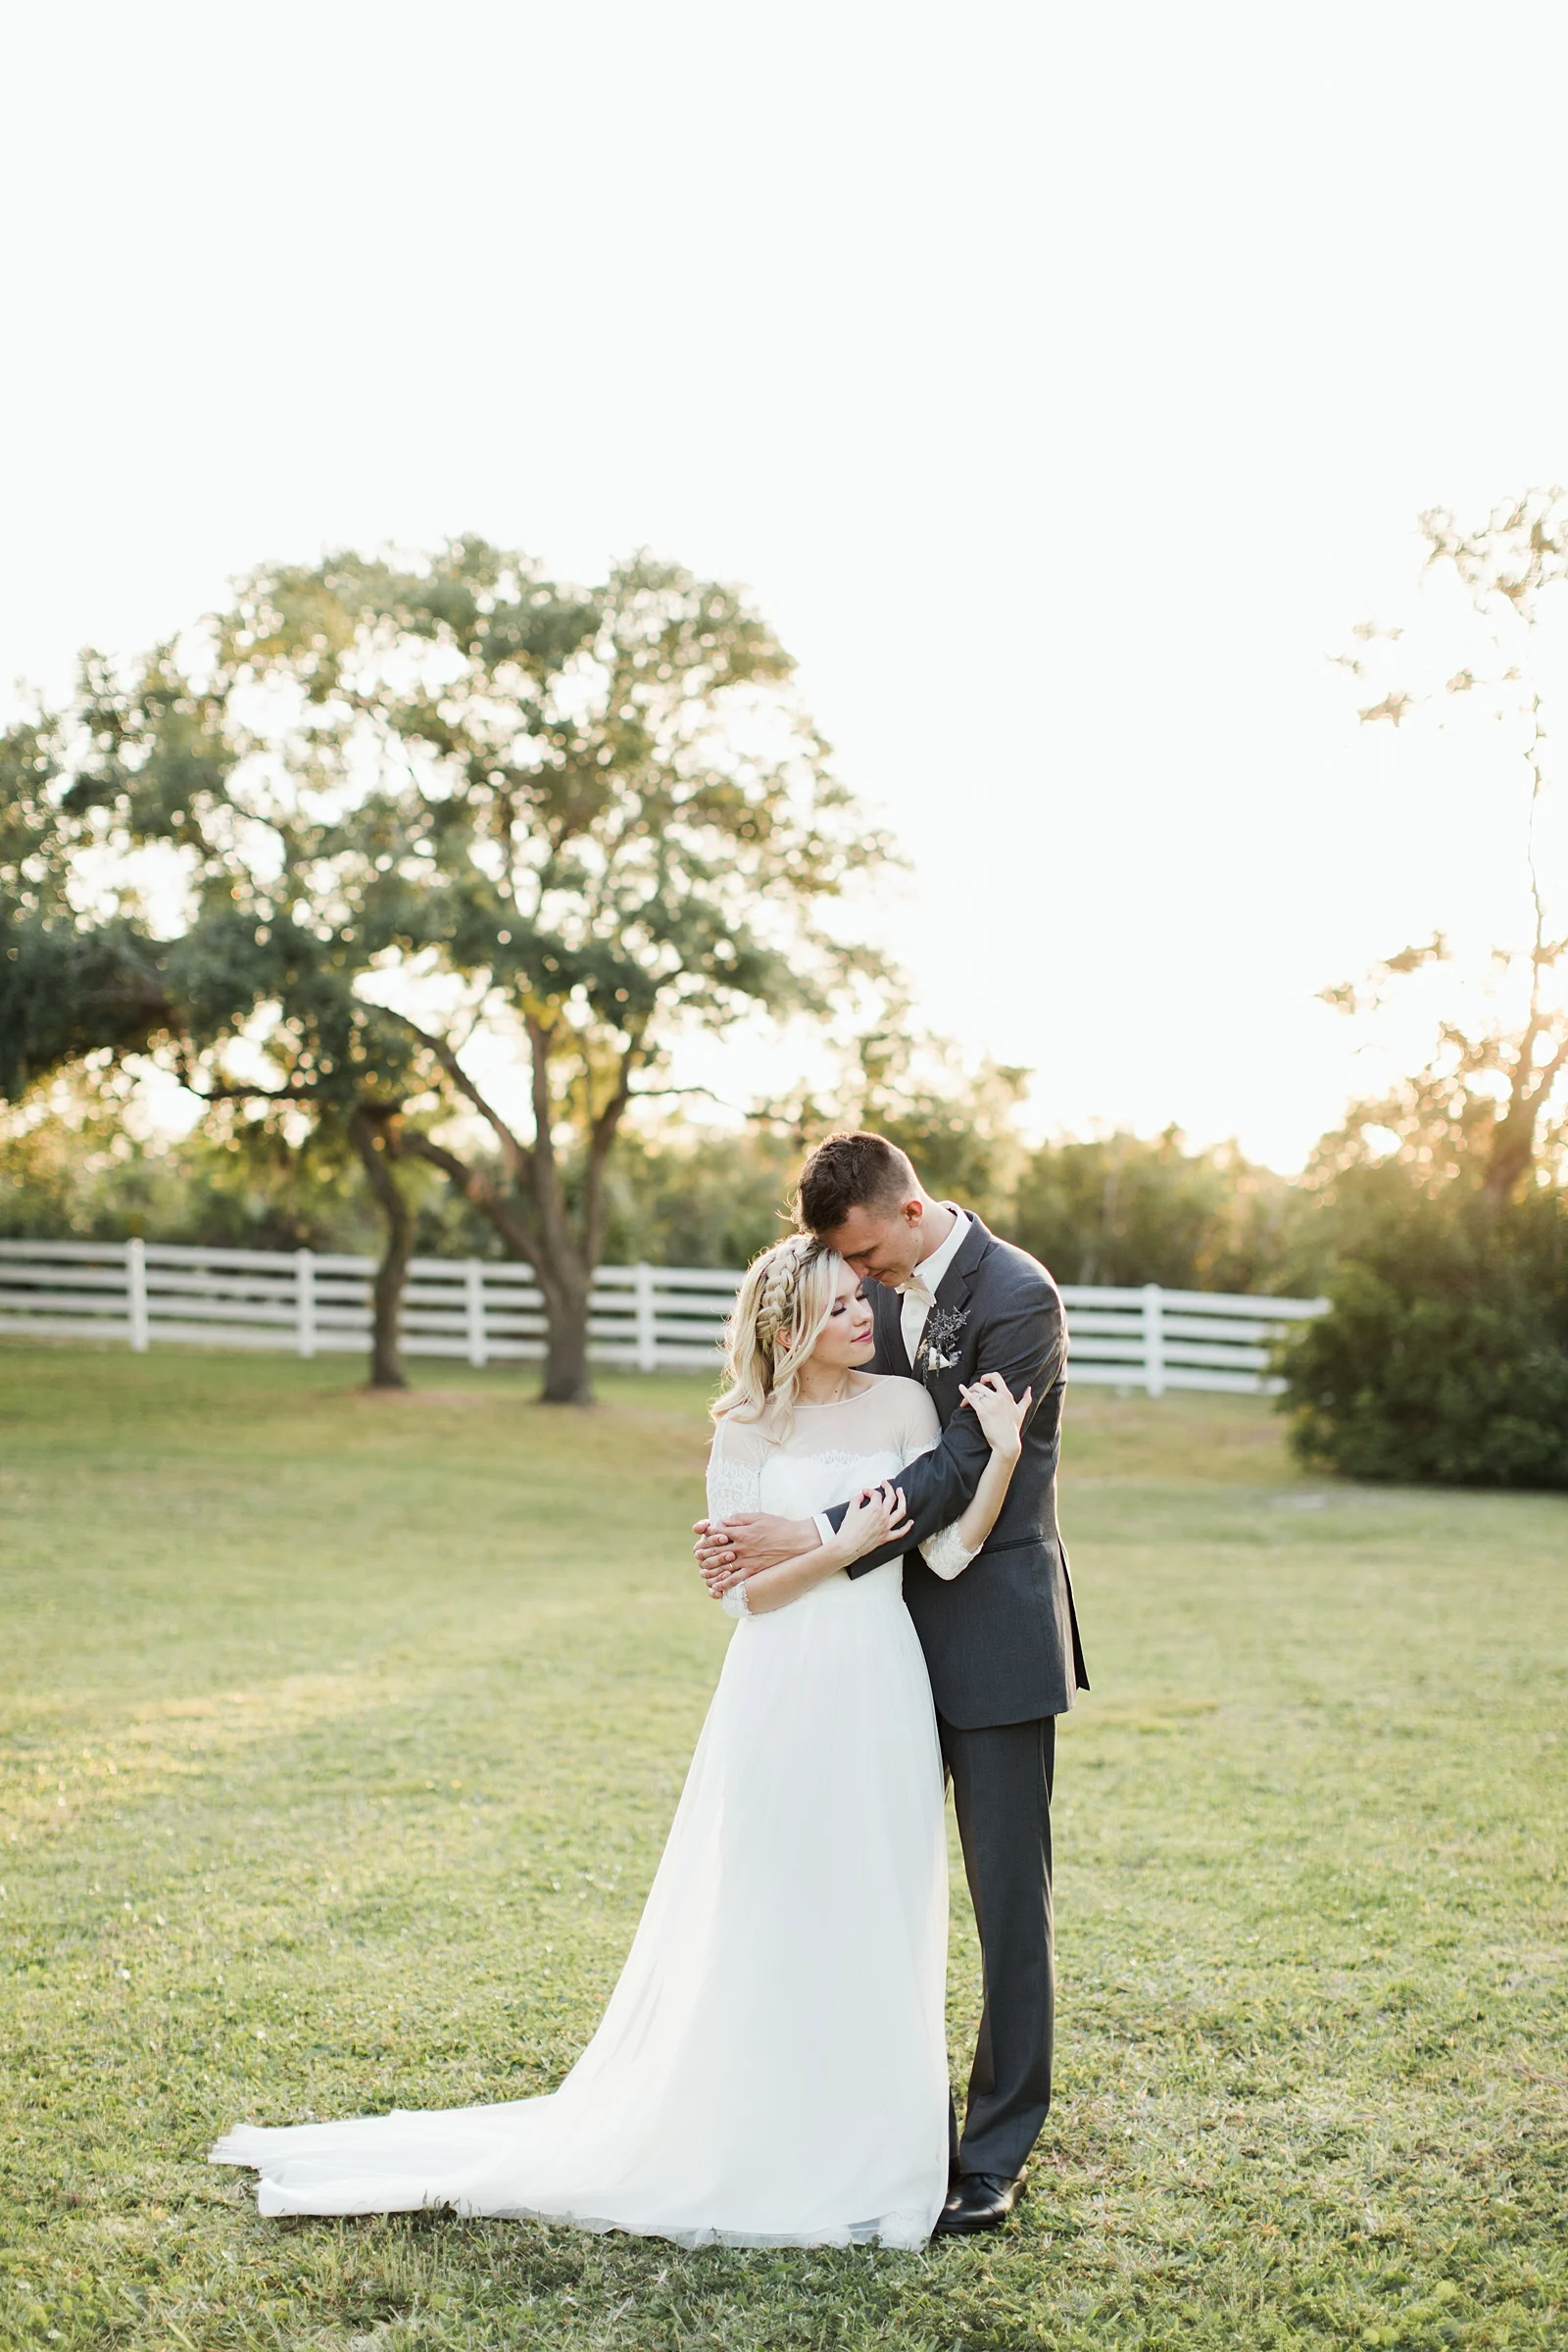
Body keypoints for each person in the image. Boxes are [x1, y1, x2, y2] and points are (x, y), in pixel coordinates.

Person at [211, 1235, 1028, 2248]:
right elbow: (744, 1595)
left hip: (882, 1681)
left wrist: (996, 1454)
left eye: (862, 1296)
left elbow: (950, 1553)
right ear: (786, 1333)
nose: (866, 1315)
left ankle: (874, 2146)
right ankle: (763, 2133)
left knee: (880, 1897)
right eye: (840, 1308)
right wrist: (848, 1543)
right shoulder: (742, 1432)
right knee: (772, 1900)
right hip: (780, 1689)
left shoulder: (906, 1408)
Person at [696, 1131, 1088, 2236]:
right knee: (860, 1888)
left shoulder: (1016, 1295)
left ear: (908, 1213)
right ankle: (845, 2113)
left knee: (1009, 1900)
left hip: (992, 1630)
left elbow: (963, 1461)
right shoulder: (876, 1288)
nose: (858, 1281)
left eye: (864, 1255)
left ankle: (994, 2152)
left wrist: (806, 1533)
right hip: (868, 1644)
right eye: (842, 1267)